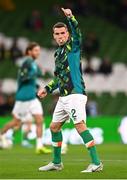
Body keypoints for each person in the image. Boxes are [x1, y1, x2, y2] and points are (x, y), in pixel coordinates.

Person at [38, 8, 103, 173]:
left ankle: (96, 163)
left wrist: (70, 17)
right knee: (54, 127)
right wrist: (47, 88)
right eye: (57, 34)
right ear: (53, 36)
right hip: (63, 97)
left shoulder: (73, 47)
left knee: (80, 126)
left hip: (75, 94)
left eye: (62, 33)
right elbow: (60, 78)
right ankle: (57, 162)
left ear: (67, 34)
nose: (60, 36)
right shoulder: (57, 53)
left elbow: (78, 33)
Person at [0, 42, 51, 154]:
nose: (38, 53)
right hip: (23, 98)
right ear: (29, 52)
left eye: (39, 50)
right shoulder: (27, 62)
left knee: (39, 120)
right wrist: (35, 74)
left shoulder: (33, 64)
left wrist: (38, 86)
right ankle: (1, 134)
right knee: (16, 122)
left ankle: (39, 146)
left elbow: (33, 79)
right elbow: (22, 77)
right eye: (36, 50)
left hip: (32, 98)